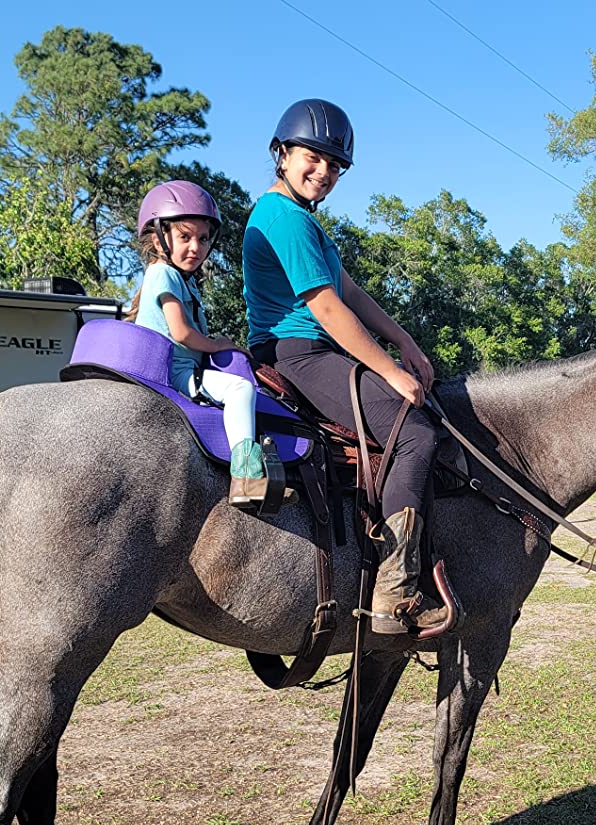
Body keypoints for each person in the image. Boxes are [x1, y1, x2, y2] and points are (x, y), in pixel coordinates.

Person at [242, 99, 450, 635]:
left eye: (336, 165)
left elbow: (349, 290)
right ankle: (394, 589)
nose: (325, 172)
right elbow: (327, 309)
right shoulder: (281, 216)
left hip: (316, 350)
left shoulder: (306, 222)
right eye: (314, 157)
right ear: (282, 154)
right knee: (417, 433)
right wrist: (391, 370)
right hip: (298, 352)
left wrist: (404, 340)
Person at [128, 180, 269, 508]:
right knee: (241, 391)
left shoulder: (180, 281)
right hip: (175, 374)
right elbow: (181, 333)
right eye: (185, 237)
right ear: (160, 238)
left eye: (203, 239)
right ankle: (246, 477)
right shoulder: (163, 273)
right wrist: (218, 345)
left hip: (184, 367)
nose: (196, 247)